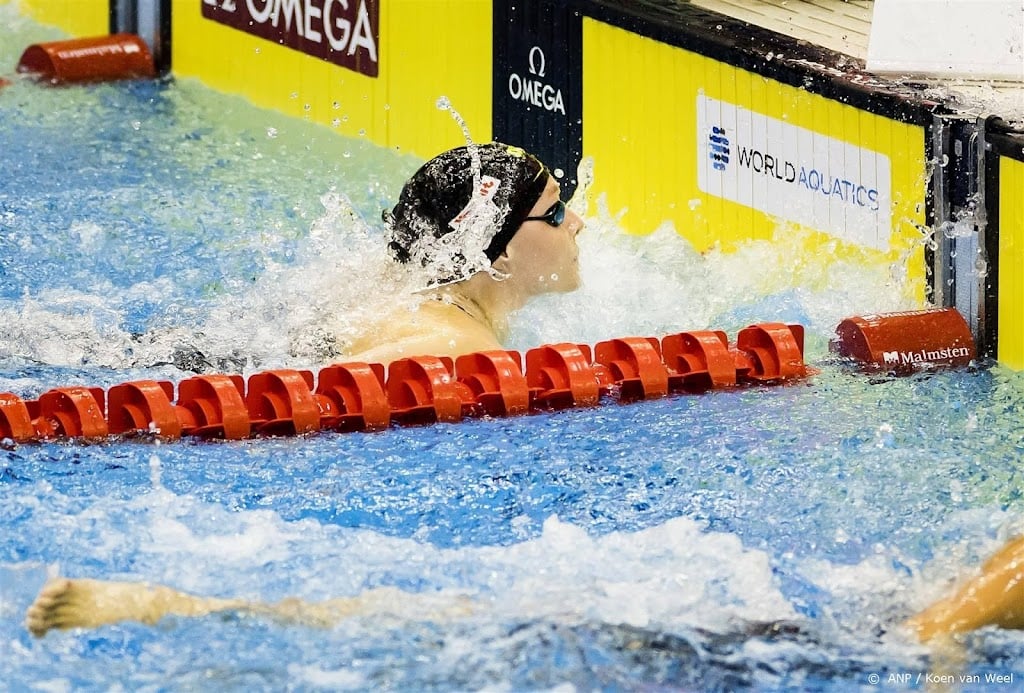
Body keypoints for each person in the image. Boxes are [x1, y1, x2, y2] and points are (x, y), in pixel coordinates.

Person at [23, 534, 1024, 641]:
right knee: (487, 636)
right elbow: (933, 634)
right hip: (792, 647)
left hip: (801, 621)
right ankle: (184, 609)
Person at [343, 142, 584, 366]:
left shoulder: (399, 299)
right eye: (555, 213)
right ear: (501, 251)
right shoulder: (468, 351)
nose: (577, 223)